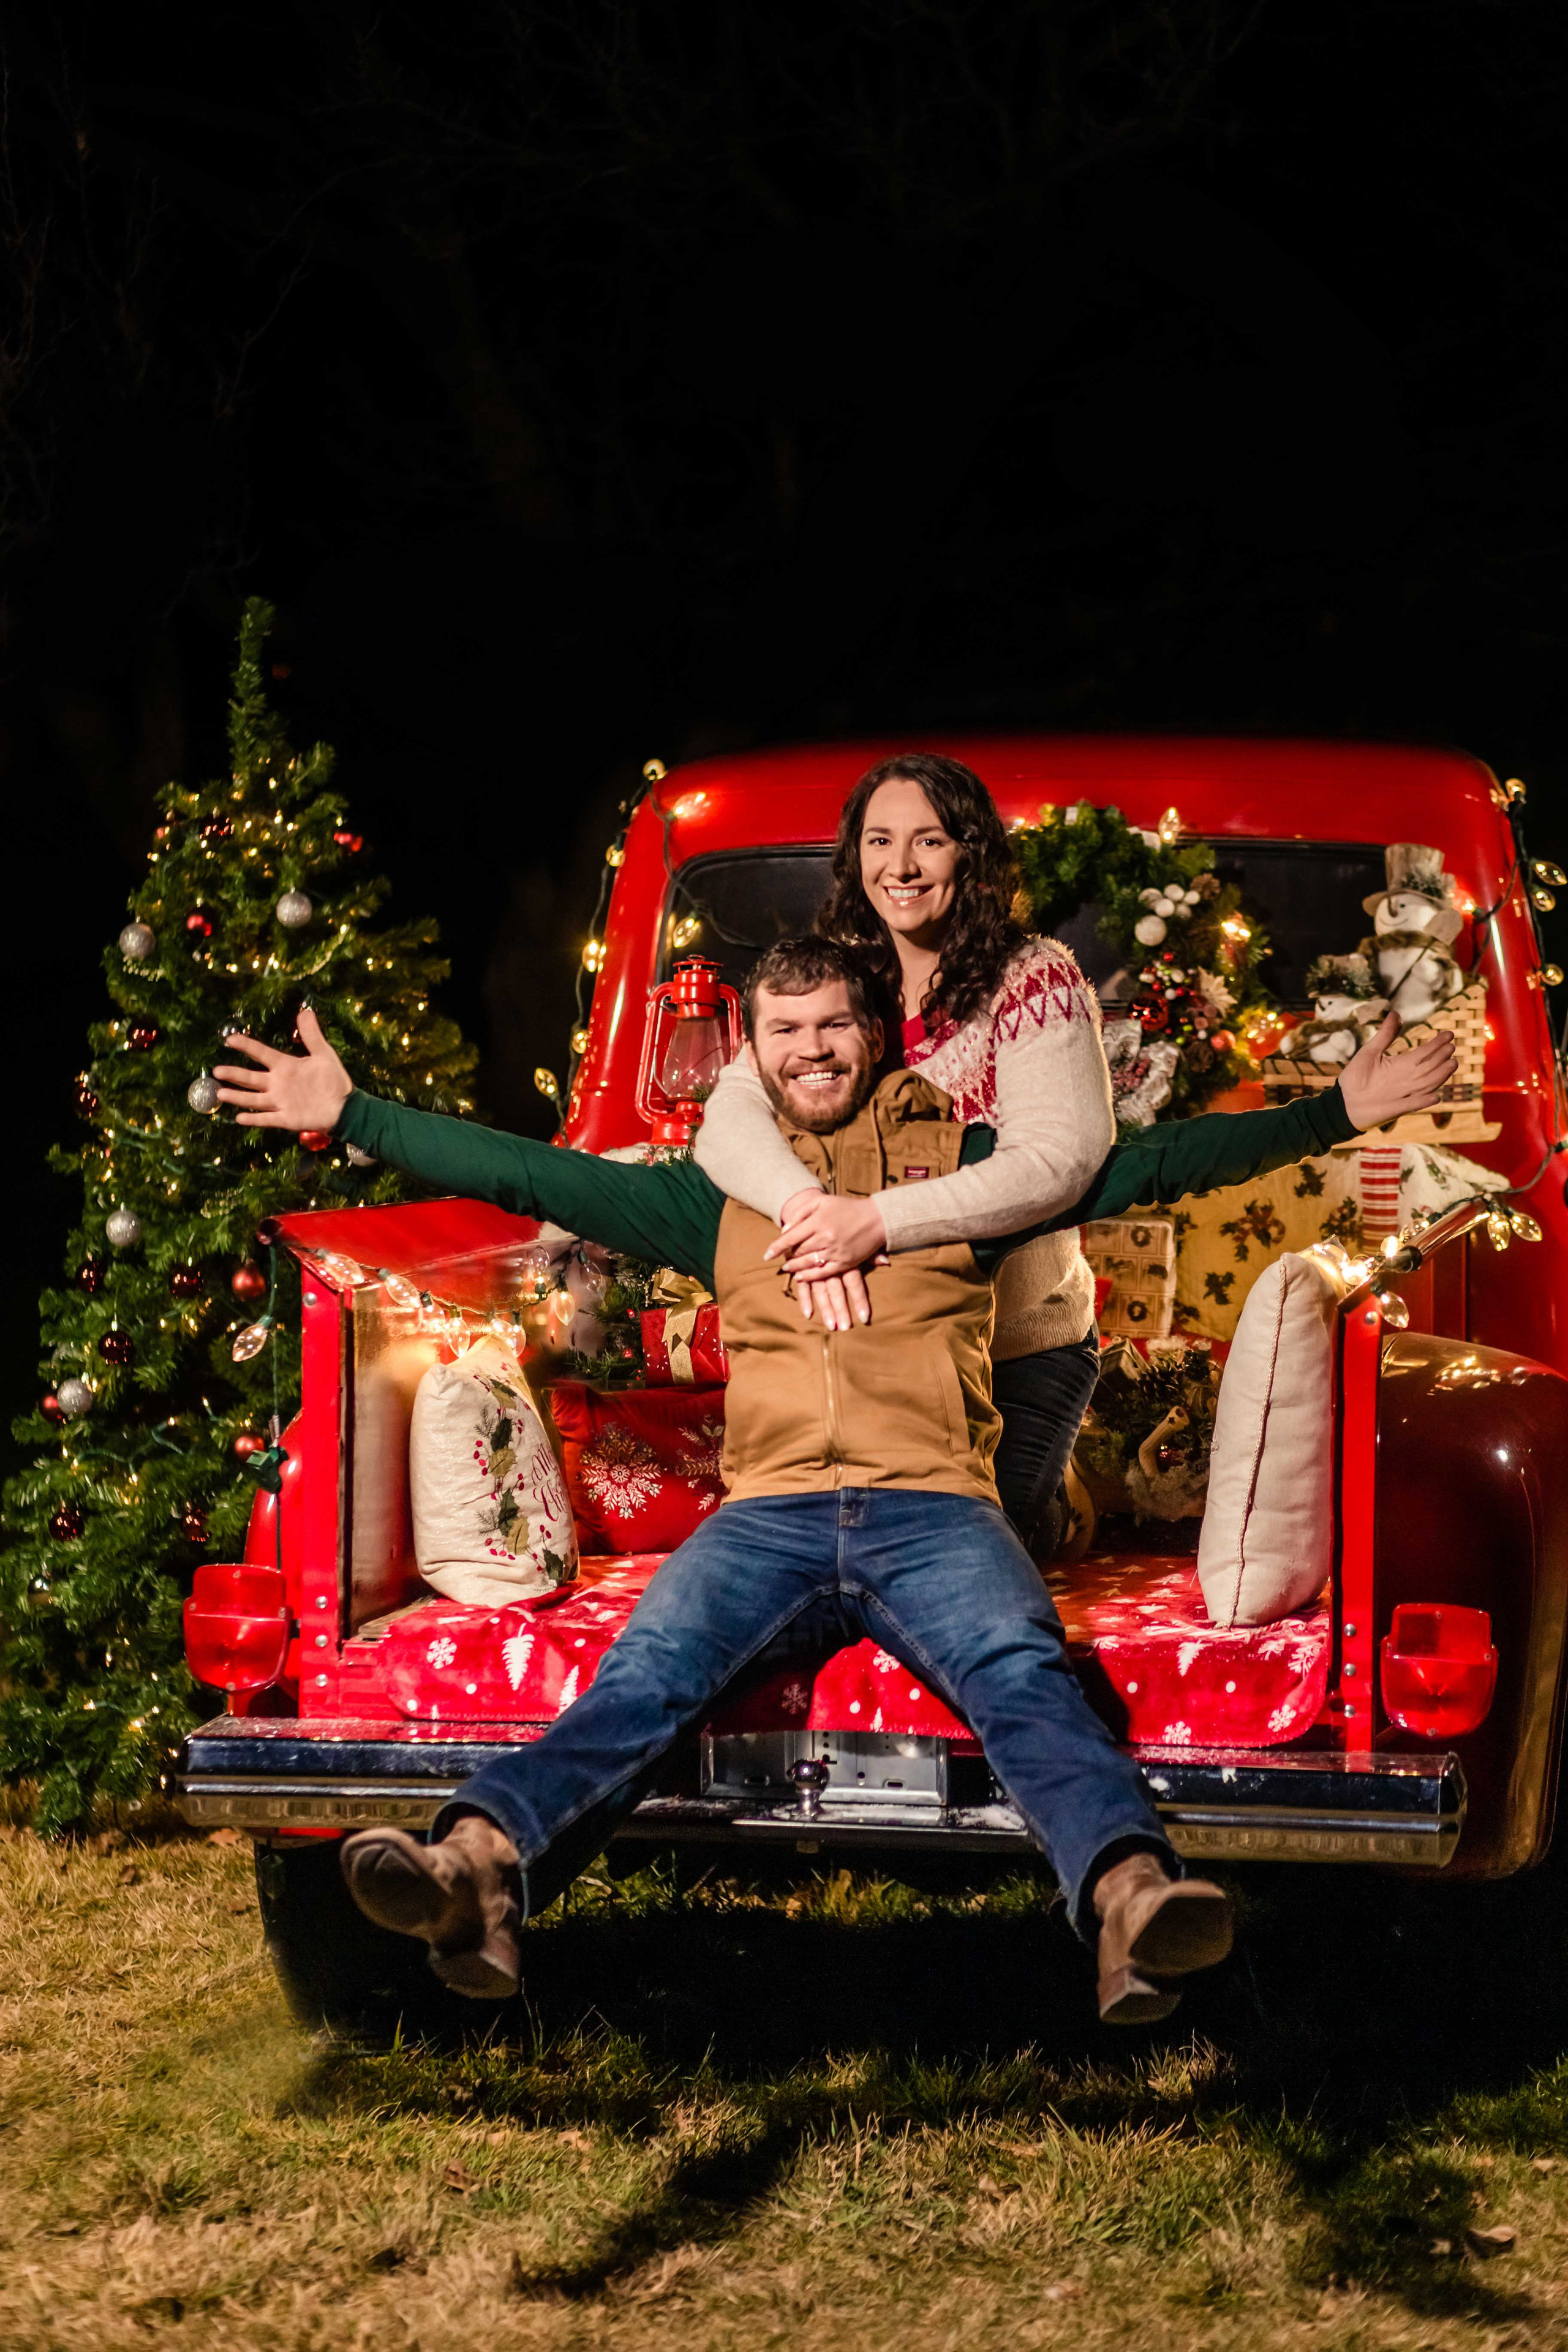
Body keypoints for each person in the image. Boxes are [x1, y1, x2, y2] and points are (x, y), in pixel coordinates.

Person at [214, 941, 1454, 2024]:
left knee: (1022, 1676)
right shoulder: (713, 1200)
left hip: (936, 1511)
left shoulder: (973, 1172)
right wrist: (352, 1110)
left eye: (834, 1025)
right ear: (752, 1053)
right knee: (644, 1676)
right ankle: (474, 1873)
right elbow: (526, 1175)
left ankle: (1133, 1906)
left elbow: (1161, 1163)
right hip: (767, 1518)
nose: (811, 1049)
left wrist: (1335, 1108)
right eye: (785, 1030)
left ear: (875, 1035)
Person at [693, 753, 1141, 1553]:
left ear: (971, 852)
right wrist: (806, 1207)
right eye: (879, 841)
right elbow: (728, 1114)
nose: (899, 867)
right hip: (878, 1345)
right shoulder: (839, 974)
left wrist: (875, 1222)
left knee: (976, 1554)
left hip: (1019, 1349)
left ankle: (1058, 1503)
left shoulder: (1032, 978)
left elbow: (1060, 1159)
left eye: (928, 841)